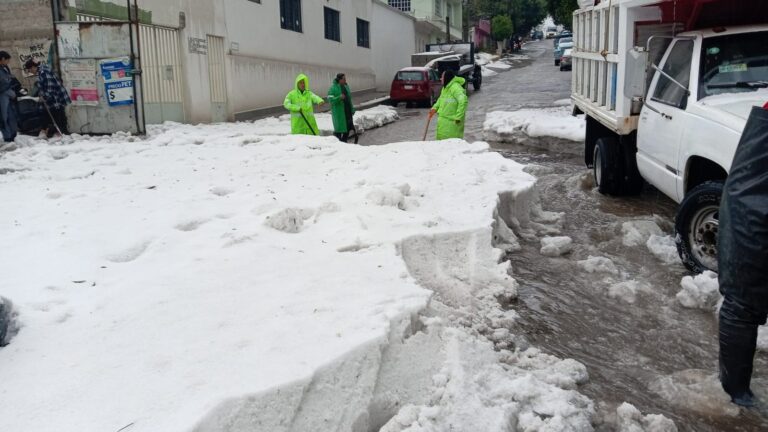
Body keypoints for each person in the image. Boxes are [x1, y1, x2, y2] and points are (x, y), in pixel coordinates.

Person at [24, 59, 70, 138]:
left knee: (58, 117)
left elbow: (50, 88)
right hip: (52, 99)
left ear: (32, 67)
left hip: (55, 99)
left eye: (30, 70)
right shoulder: (41, 71)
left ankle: (63, 134)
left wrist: (44, 97)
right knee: (48, 115)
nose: (31, 72)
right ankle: (54, 133)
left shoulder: (44, 72)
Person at [429, 70, 468, 140]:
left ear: (447, 78)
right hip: (443, 125)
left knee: (451, 147)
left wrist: (458, 117)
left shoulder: (455, 87)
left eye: (442, 77)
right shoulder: (445, 88)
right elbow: (441, 99)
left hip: (452, 125)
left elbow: (463, 100)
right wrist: (434, 108)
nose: (441, 79)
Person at [327, 73, 356, 142]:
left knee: (348, 128)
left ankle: (344, 142)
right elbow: (330, 100)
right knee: (339, 131)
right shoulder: (332, 88)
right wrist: (339, 98)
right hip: (339, 114)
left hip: (347, 112)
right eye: (344, 79)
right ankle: (339, 144)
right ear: (339, 80)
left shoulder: (346, 86)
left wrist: (352, 109)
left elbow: (349, 99)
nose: (345, 80)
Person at [0, 51, 19, 143]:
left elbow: (9, 79)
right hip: (3, 97)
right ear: (3, 59)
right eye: (7, 60)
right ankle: (8, 137)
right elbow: (3, 85)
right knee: (5, 117)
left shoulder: (4, 68)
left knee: (11, 116)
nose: (8, 62)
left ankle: (12, 134)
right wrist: (12, 94)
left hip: (8, 96)